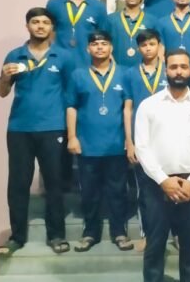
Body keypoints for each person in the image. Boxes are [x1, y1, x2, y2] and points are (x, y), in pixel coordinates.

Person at [0, 8, 74, 256]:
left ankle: (57, 235)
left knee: (54, 183)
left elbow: (71, 95)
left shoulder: (63, 57)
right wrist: (4, 78)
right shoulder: (14, 55)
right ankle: (17, 237)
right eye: (35, 22)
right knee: (18, 184)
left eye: (45, 22)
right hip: (19, 128)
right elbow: (2, 92)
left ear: (52, 28)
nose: (40, 26)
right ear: (27, 26)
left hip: (53, 127)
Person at [134, 48, 190, 282]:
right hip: (157, 182)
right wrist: (163, 180)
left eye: (183, 67)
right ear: (165, 70)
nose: (178, 71)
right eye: (173, 67)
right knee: (155, 243)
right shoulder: (149, 105)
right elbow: (142, 147)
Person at [66, 30, 133, 253]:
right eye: (95, 44)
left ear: (111, 47)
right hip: (88, 145)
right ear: (88, 49)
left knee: (118, 192)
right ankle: (90, 233)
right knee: (89, 193)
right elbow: (71, 107)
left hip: (116, 144)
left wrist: (129, 140)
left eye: (104, 43)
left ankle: (119, 232)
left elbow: (128, 109)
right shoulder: (78, 75)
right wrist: (72, 137)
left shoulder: (124, 74)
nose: (100, 47)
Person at [122, 29, 168, 252]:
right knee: (146, 191)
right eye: (144, 45)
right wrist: (129, 141)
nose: (148, 48)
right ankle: (147, 234)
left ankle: (177, 234)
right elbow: (127, 108)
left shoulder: (169, 70)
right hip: (142, 139)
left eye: (152, 44)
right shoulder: (131, 73)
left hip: (168, 137)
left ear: (159, 46)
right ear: (138, 48)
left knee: (172, 188)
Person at [46, 0, 107, 67]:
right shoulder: (54, 3)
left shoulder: (99, 7)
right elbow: (48, 34)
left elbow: (102, 39)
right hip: (58, 65)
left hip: (87, 65)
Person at [107, 0, 159, 67]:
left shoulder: (152, 20)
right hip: (116, 69)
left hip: (143, 70)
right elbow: (104, 43)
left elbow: (158, 47)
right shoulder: (111, 19)